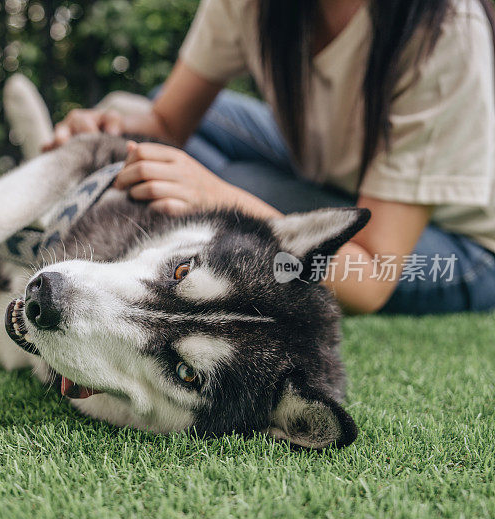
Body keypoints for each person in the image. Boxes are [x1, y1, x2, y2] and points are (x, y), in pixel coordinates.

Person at [42, 0, 495, 315]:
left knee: (222, 183)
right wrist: (105, 131)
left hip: (460, 242)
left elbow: (371, 277)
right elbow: (165, 124)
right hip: (332, 176)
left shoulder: (446, 31)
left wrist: (218, 195)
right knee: (155, 136)